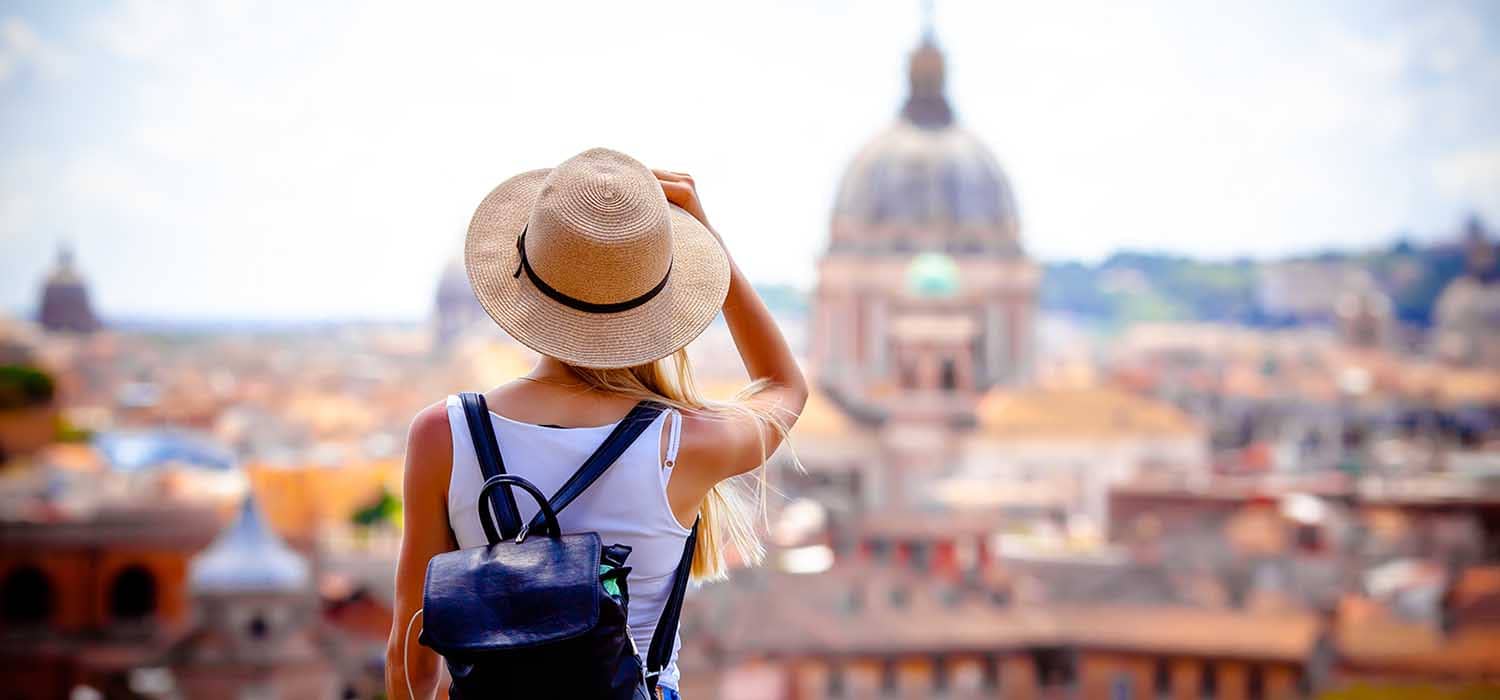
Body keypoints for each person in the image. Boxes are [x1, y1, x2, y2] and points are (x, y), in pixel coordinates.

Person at [385, 148, 808, 699]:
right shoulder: (684, 443)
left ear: (526, 282)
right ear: (660, 300)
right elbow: (784, 387)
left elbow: (411, 660)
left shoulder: (443, 433)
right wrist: (713, 249)